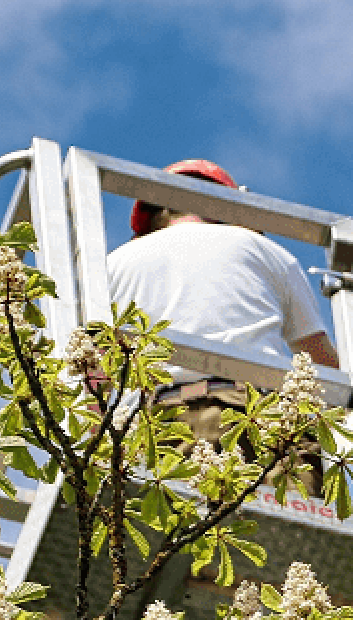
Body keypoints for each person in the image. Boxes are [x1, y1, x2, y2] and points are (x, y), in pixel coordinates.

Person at [106, 159, 338, 492]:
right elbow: (321, 366)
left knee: (168, 536)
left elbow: (89, 369)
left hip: (162, 428)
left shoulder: (116, 263)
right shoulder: (268, 252)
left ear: (155, 212)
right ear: (230, 206)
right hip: (266, 422)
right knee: (293, 527)